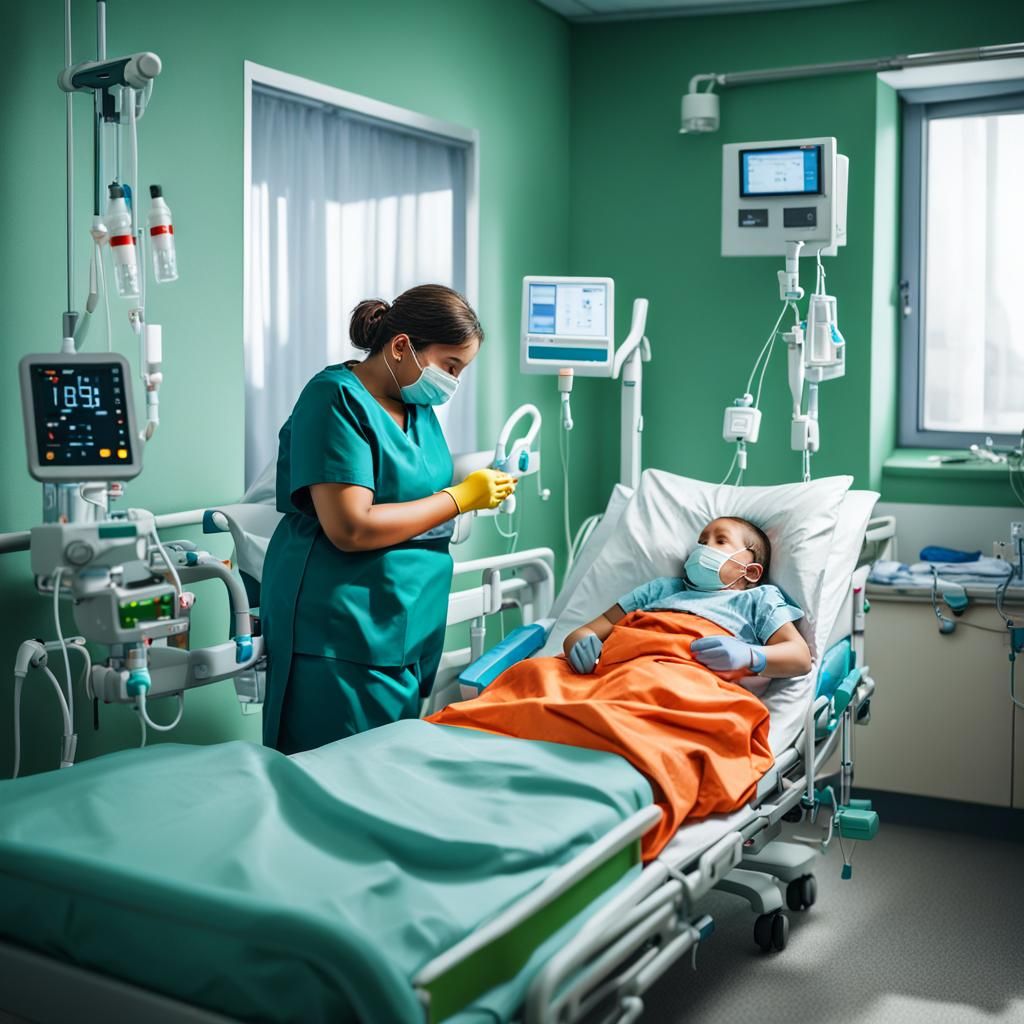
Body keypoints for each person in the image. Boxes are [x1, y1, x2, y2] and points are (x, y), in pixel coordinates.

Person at [261, 284, 516, 754]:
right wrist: (461, 497)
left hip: (406, 628)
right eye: (450, 366)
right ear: (401, 346)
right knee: (330, 784)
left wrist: (478, 484)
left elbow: (413, 488)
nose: (453, 382)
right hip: (340, 633)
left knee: (384, 779)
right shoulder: (334, 398)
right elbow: (350, 527)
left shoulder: (416, 407)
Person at [562, 515, 812, 679]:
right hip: (619, 669)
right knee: (536, 672)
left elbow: (800, 658)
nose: (703, 548)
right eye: (701, 541)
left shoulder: (758, 599)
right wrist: (576, 643)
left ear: (751, 571)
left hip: (682, 679)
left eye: (720, 540)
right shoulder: (662, 590)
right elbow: (591, 629)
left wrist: (750, 655)